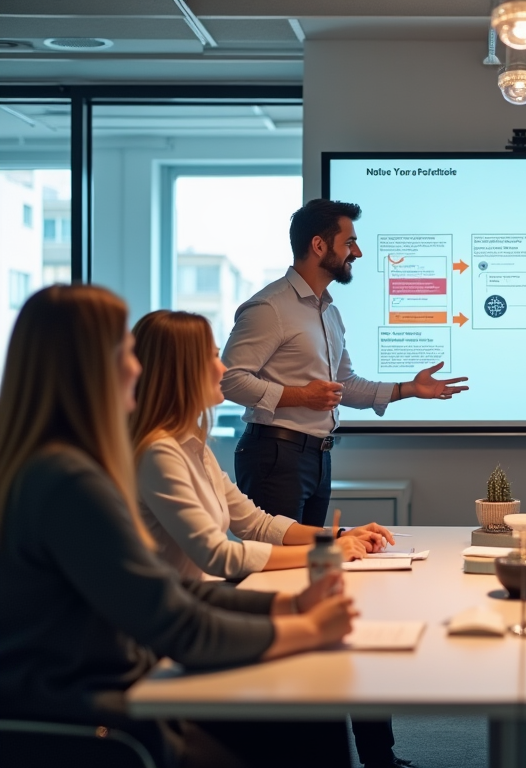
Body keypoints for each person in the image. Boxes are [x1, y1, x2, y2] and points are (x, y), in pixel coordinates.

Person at [0, 285, 358, 768]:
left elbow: (170, 589)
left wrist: (291, 605)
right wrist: (308, 630)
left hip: (112, 690)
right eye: (125, 353)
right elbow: (178, 623)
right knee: (307, 722)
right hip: (93, 720)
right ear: (90, 369)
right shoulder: (69, 482)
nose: (135, 368)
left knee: (311, 719)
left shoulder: (61, 468)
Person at [221, 198, 468, 529]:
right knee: (278, 567)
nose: (358, 252)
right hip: (275, 455)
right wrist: (301, 396)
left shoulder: (329, 313)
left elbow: (345, 385)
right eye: (349, 242)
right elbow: (230, 380)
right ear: (319, 245)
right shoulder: (270, 307)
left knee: (310, 563)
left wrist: (409, 388)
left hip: (317, 457)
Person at [131, 309, 396, 583]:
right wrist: (326, 551)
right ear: (179, 371)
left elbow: (256, 523)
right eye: (211, 356)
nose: (222, 368)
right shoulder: (160, 454)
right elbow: (218, 556)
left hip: (200, 601)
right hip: (184, 613)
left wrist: (339, 535)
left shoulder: (193, 448)